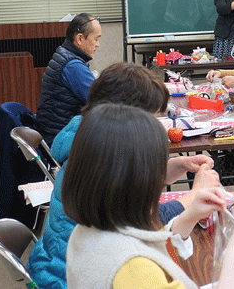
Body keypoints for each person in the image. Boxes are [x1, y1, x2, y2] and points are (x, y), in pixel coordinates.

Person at [29, 63, 220, 289]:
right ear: (123, 115)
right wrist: (195, 195)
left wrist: (172, 167)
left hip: (61, 262)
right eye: (149, 117)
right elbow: (140, 218)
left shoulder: (88, 138)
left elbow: (127, 193)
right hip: (61, 276)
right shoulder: (130, 265)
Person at [63, 104, 234, 288]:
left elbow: (148, 245)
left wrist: (188, 217)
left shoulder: (90, 232)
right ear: (140, 183)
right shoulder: (134, 269)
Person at [35, 13, 101, 145]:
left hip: (52, 132)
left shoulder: (65, 54)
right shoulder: (73, 65)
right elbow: (100, 101)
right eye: (96, 39)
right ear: (80, 39)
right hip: (59, 138)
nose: (98, 44)